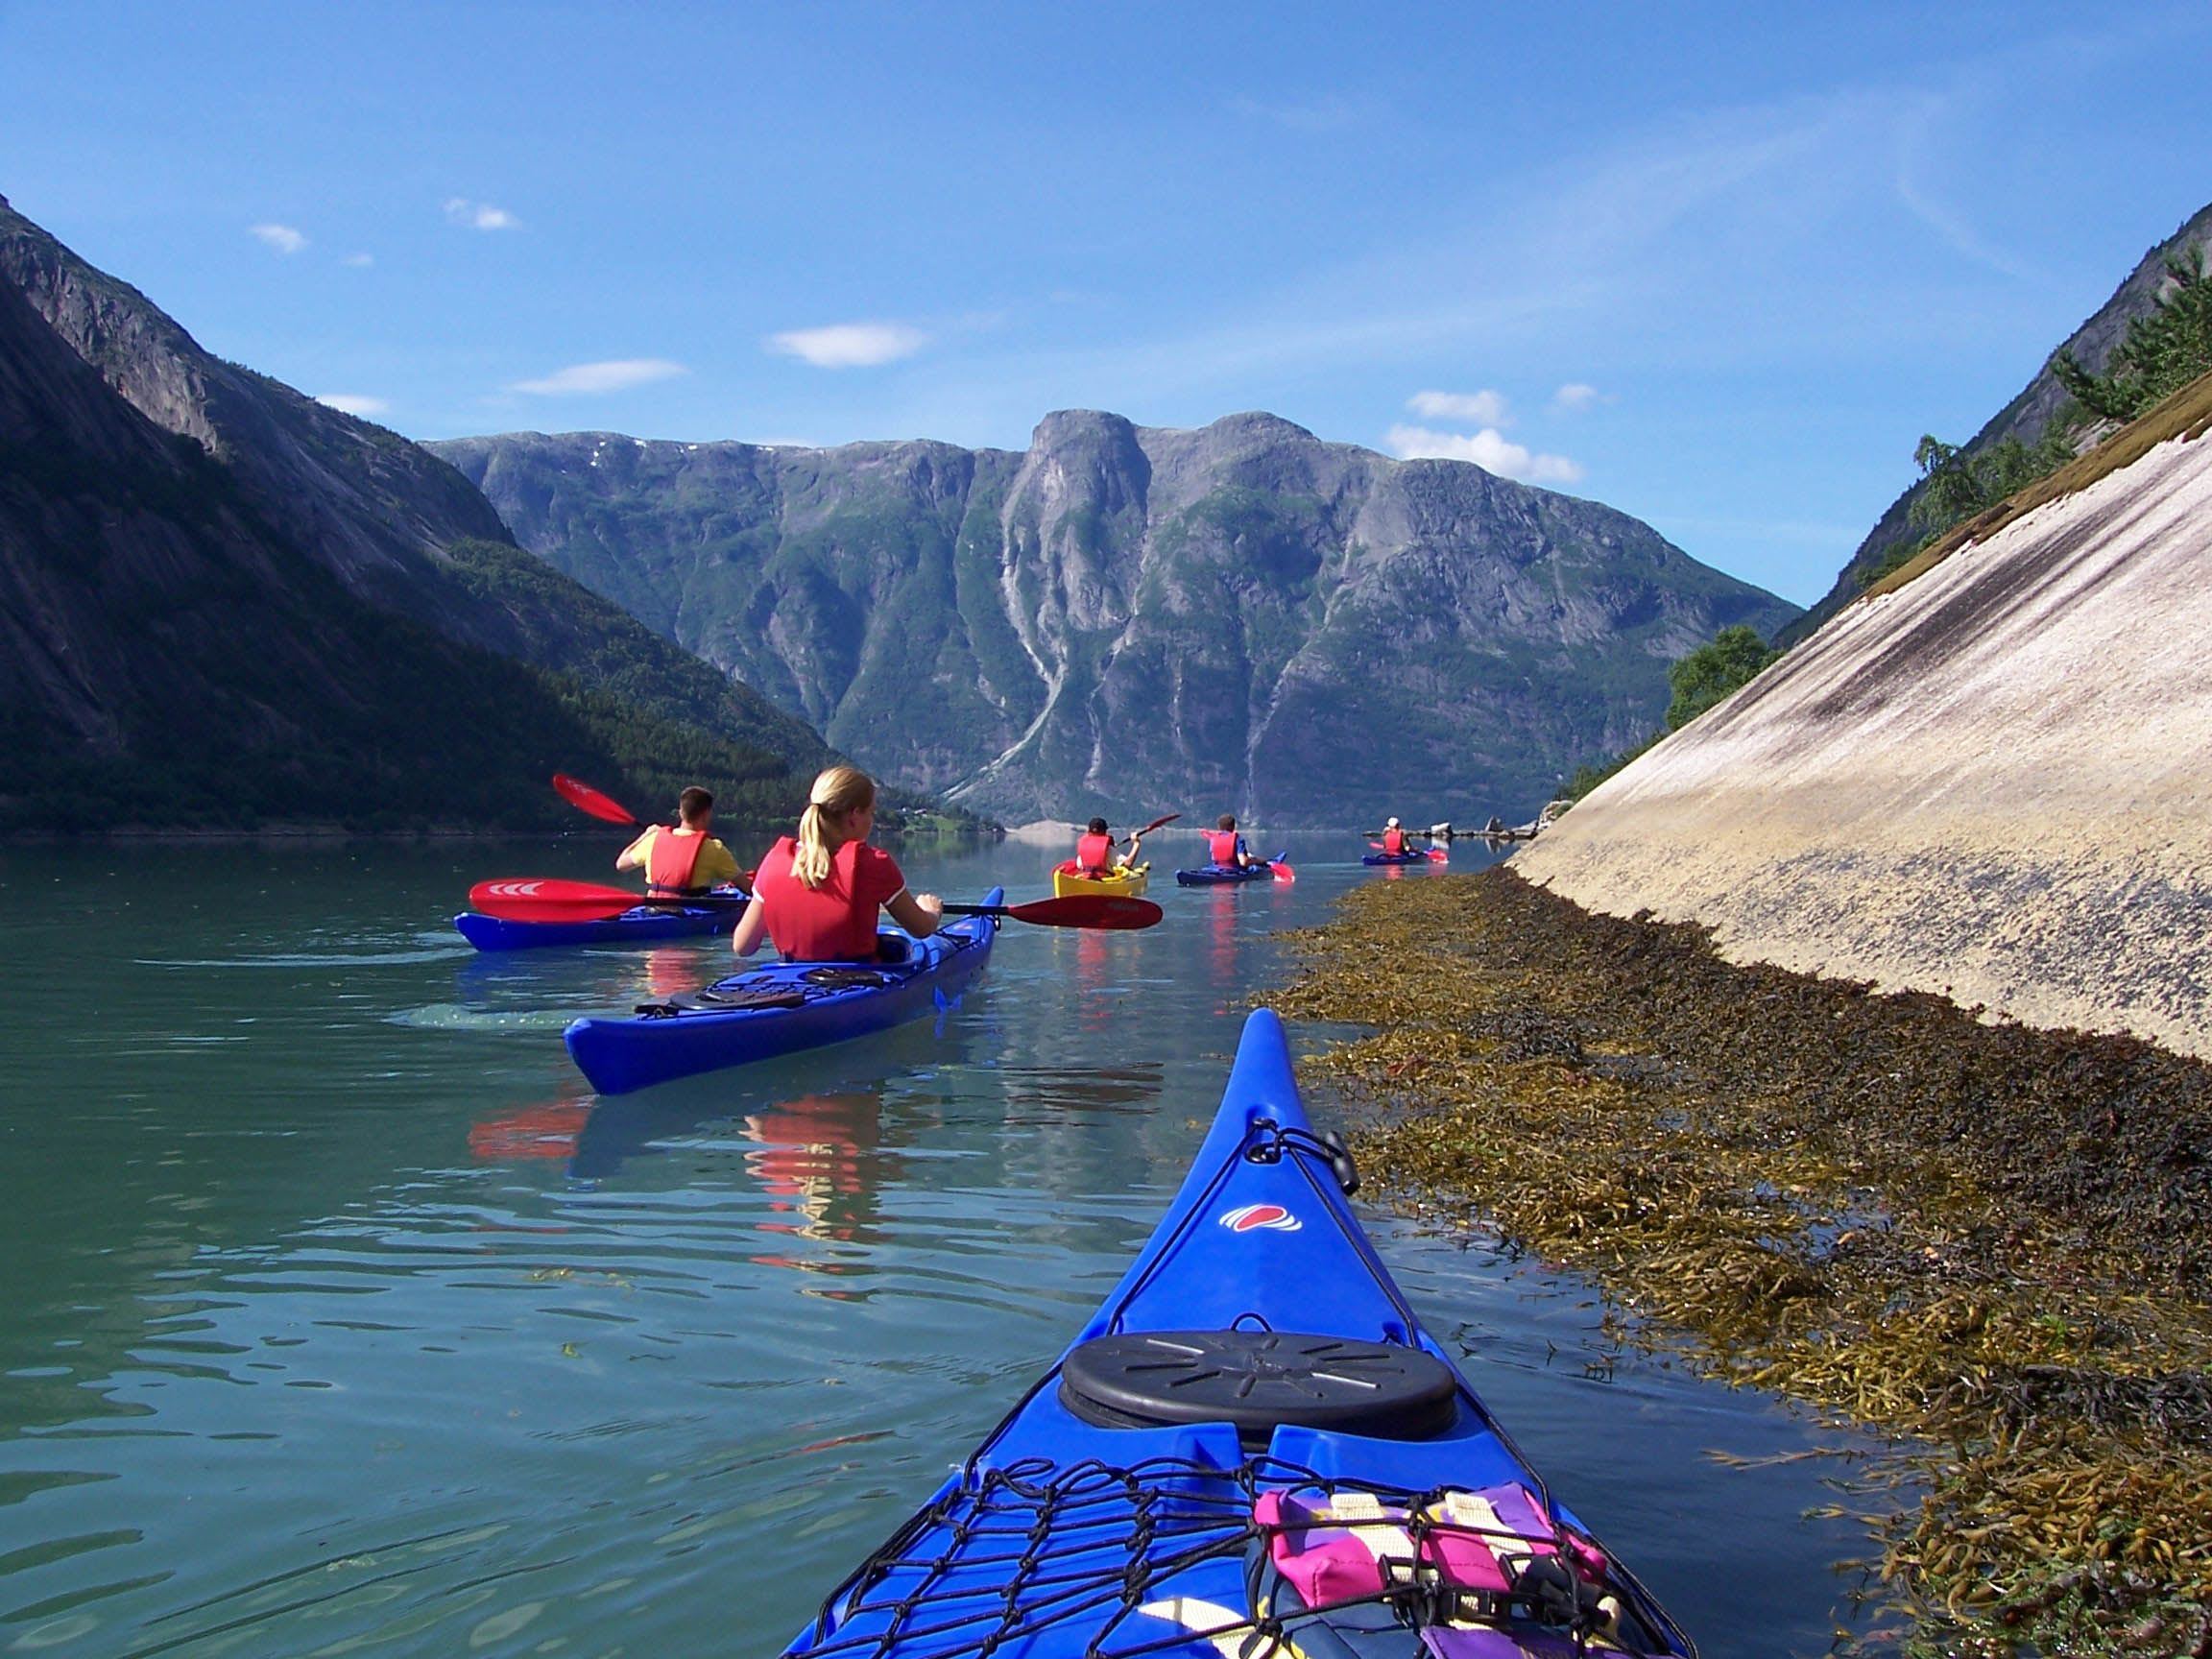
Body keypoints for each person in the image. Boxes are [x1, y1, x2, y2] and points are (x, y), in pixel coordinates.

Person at [732, 765, 942, 961]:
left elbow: (743, 946)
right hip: (859, 981)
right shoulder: (874, 864)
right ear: (854, 816)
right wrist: (931, 911)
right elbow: (921, 929)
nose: (872, 820)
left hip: (792, 982)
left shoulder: (773, 862)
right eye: (871, 812)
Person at [615, 786, 742, 897]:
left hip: (654, 910)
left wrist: (646, 835)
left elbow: (621, 864)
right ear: (706, 815)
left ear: (681, 813)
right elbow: (748, 888)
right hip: (690, 916)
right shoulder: (714, 848)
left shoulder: (654, 839)